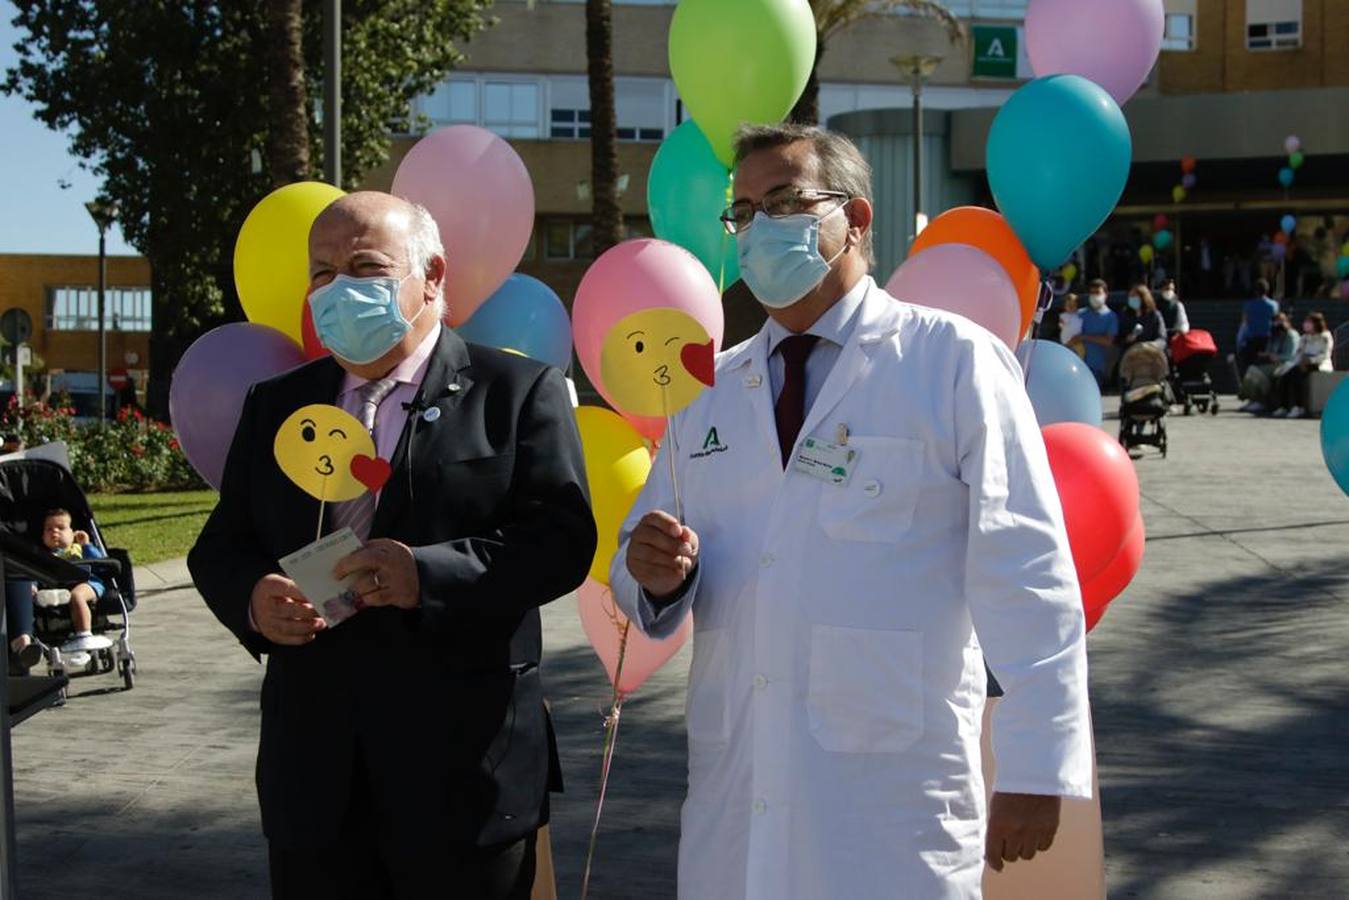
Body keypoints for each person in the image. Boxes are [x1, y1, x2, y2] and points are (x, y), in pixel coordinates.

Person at [613, 124, 1092, 899]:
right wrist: (653, 573)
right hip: (740, 789)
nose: (760, 228)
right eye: (743, 211)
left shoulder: (950, 362)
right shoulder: (709, 390)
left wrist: (1039, 767)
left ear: (856, 220)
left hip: (892, 801)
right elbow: (641, 567)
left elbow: (1027, 574)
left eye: (784, 202)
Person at [188, 192, 596, 899]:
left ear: (431, 275)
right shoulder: (278, 404)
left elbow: (560, 540)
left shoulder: (518, 391)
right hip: (315, 778)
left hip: (465, 772)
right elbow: (221, 545)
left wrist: (427, 576)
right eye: (321, 273)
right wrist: (253, 602)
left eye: (364, 266)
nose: (339, 288)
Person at [41, 508, 110, 663]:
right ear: (42, 535)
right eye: (49, 529)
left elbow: (101, 564)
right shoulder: (43, 555)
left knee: (76, 595)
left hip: (87, 583)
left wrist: (87, 545)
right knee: (42, 592)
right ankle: (48, 598)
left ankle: (84, 636)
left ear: (73, 533)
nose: (55, 532)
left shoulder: (79, 549)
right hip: (58, 588)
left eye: (61, 528)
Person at [1271, 312, 1336, 419]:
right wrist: (1289, 366)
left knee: (1297, 374)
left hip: (1319, 364)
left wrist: (1310, 361)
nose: (1306, 324)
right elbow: (1298, 355)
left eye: (1309, 322)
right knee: (1287, 374)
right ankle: (1284, 406)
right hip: (1302, 364)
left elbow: (1325, 355)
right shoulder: (1304, 338)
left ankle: (1298, 406)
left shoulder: (1325, 336)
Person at [1238, 313, 1299, 414]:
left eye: (1280, 321)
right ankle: (1253, 399)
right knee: (1252, 369)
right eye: (1275, 321)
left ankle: (1259, 401)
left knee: (1257, 372)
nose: (1277, 323)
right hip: (1273, 363)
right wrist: (1266, 354)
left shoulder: (1291, 335)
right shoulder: (1274, 335)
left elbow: (1290, 356)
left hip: (1285, 364)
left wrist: (1276, 357)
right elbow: (1269, 350)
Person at [1077, 279, 1119, 386]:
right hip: (1078, 366)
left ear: (1105, 294)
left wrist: (1084, 337)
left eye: (1097, 293)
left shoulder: (1111, 317)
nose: (1094, 296)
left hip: (1098, 369)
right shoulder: (1080, 314)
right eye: (1092, 293)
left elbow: (1108, 341)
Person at [1237, 278, 1280, 375]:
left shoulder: (1248, 305)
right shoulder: (1273, 305)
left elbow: (1244, 323)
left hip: (1251, 340)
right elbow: (1276, 321)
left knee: (1249, 366)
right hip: (1267, 340)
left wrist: (1239, 340)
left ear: (1255, 291)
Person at [1116, 285, 1168, 355]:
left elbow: (1162, 339)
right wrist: (1126, 339)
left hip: (1150, 356)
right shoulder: (1125, 314)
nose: (1132, 299)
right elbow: (1117, 339)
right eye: (1130, 296)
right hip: (1129, 357)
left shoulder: (1154, 315)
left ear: (1143, 298)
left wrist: (1149, 346)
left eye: (1134, 296)